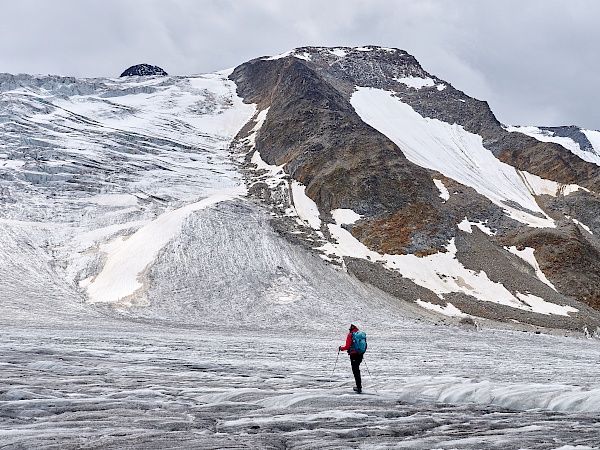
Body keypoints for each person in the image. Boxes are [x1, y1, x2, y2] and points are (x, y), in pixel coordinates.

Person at [338, 324, 363, 393]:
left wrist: (341, 348)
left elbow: (347, 346)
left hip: (353, 355)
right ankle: (359, 386)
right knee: (357, 370)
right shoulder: (360, 335)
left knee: (355, 371)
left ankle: (359, 387)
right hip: (360, 354)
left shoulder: (350, 335)